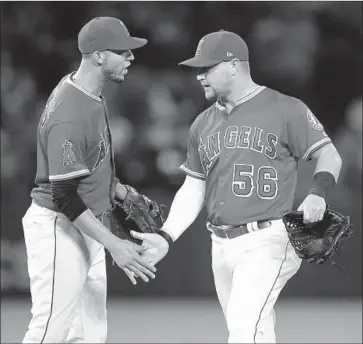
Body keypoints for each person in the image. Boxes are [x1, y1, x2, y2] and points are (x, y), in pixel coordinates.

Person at [130, 30, 343, 343]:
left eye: (207, 68)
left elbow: (329, 155)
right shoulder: (202, 123)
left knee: (244, 330)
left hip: (267, 240)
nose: (199, 76)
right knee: (255, 329)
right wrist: (166, 236)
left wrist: (317, 194)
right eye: (197, 70)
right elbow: (193, 187)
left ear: (233, 65)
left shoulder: (285, 108)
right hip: (221, 245)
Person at [22, 17, 157, 343]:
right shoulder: (70, 113)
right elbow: (64, 195)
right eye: (123, 51)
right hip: (61, 227)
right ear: (98, 55)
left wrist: (120, 192)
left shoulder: (87, 91)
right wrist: (116, 245)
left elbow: (88, 168)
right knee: (49, 332)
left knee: (88, 335)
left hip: (85, 224)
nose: (131, 57)